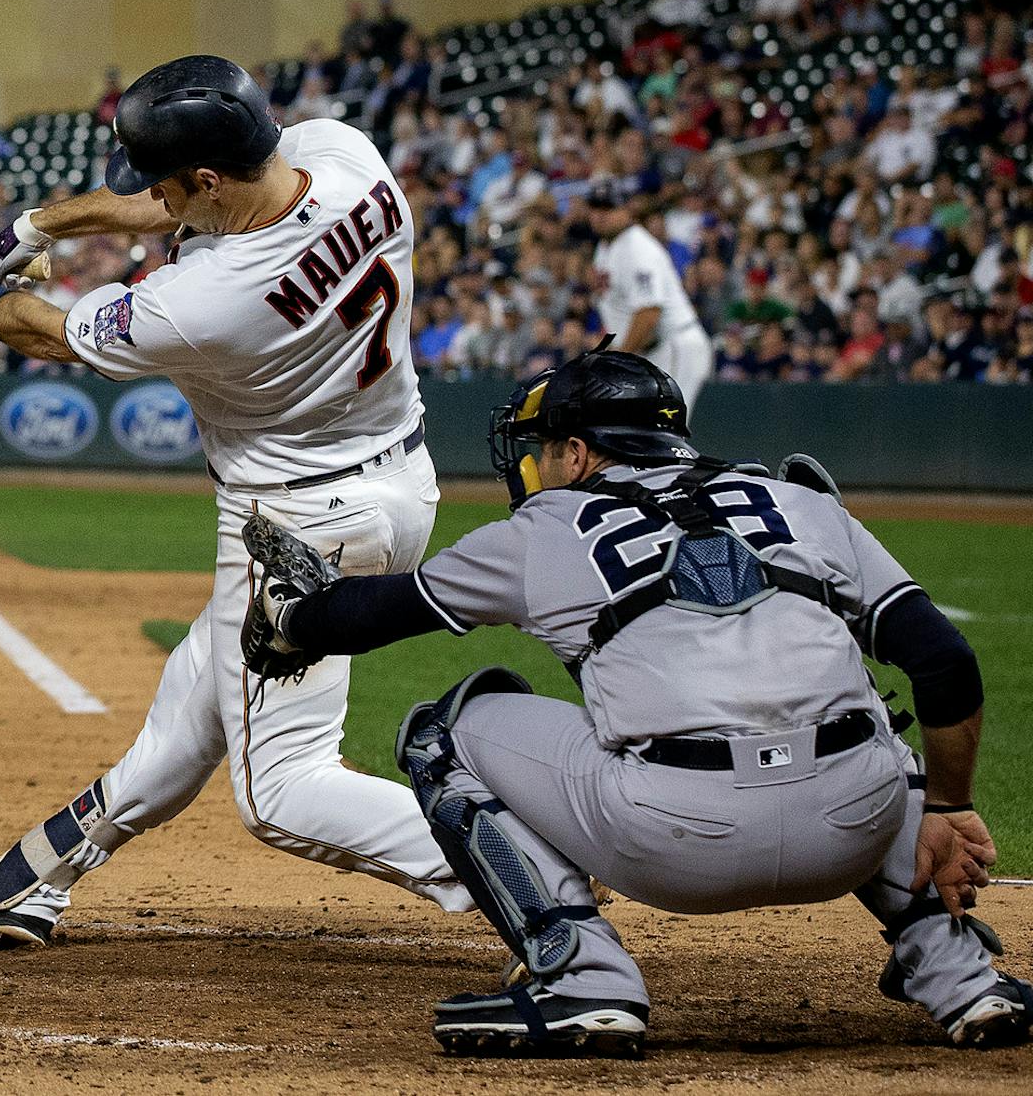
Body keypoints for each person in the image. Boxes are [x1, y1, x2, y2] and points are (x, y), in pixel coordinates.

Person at [240, 347, 1025, 1055]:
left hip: (681, 840)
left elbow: (374, 614)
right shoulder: (797, 499)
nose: (538, 465)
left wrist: (290, 616)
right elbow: (946, 661)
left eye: (546, 448)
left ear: (578, 451)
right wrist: (949, 804)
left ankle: (584, 974)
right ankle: (961, 977)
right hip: (854, 827)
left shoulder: (550, 523)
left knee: (444, 730)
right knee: (869, 725)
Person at [0, 54, 470, 946]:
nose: (156, 195)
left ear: (207, 177)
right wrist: (39, 227)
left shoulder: (207, 300)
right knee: (196, 697)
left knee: (283, 789)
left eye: (171, 181)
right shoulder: (347, 157)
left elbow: (48, 332)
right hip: (397, 484)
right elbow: (177, 202)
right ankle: (26, 880)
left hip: (298, 528)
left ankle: (508, 858)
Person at [584, 185, 712, 411]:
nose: (600, 215)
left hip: (673, 345)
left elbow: (649, 313)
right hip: (651, 351)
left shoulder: (637, 249)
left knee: (665, 429)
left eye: (608, 208)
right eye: (595, 208)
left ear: (627, 210)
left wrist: (622, 355)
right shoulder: (606, 246)